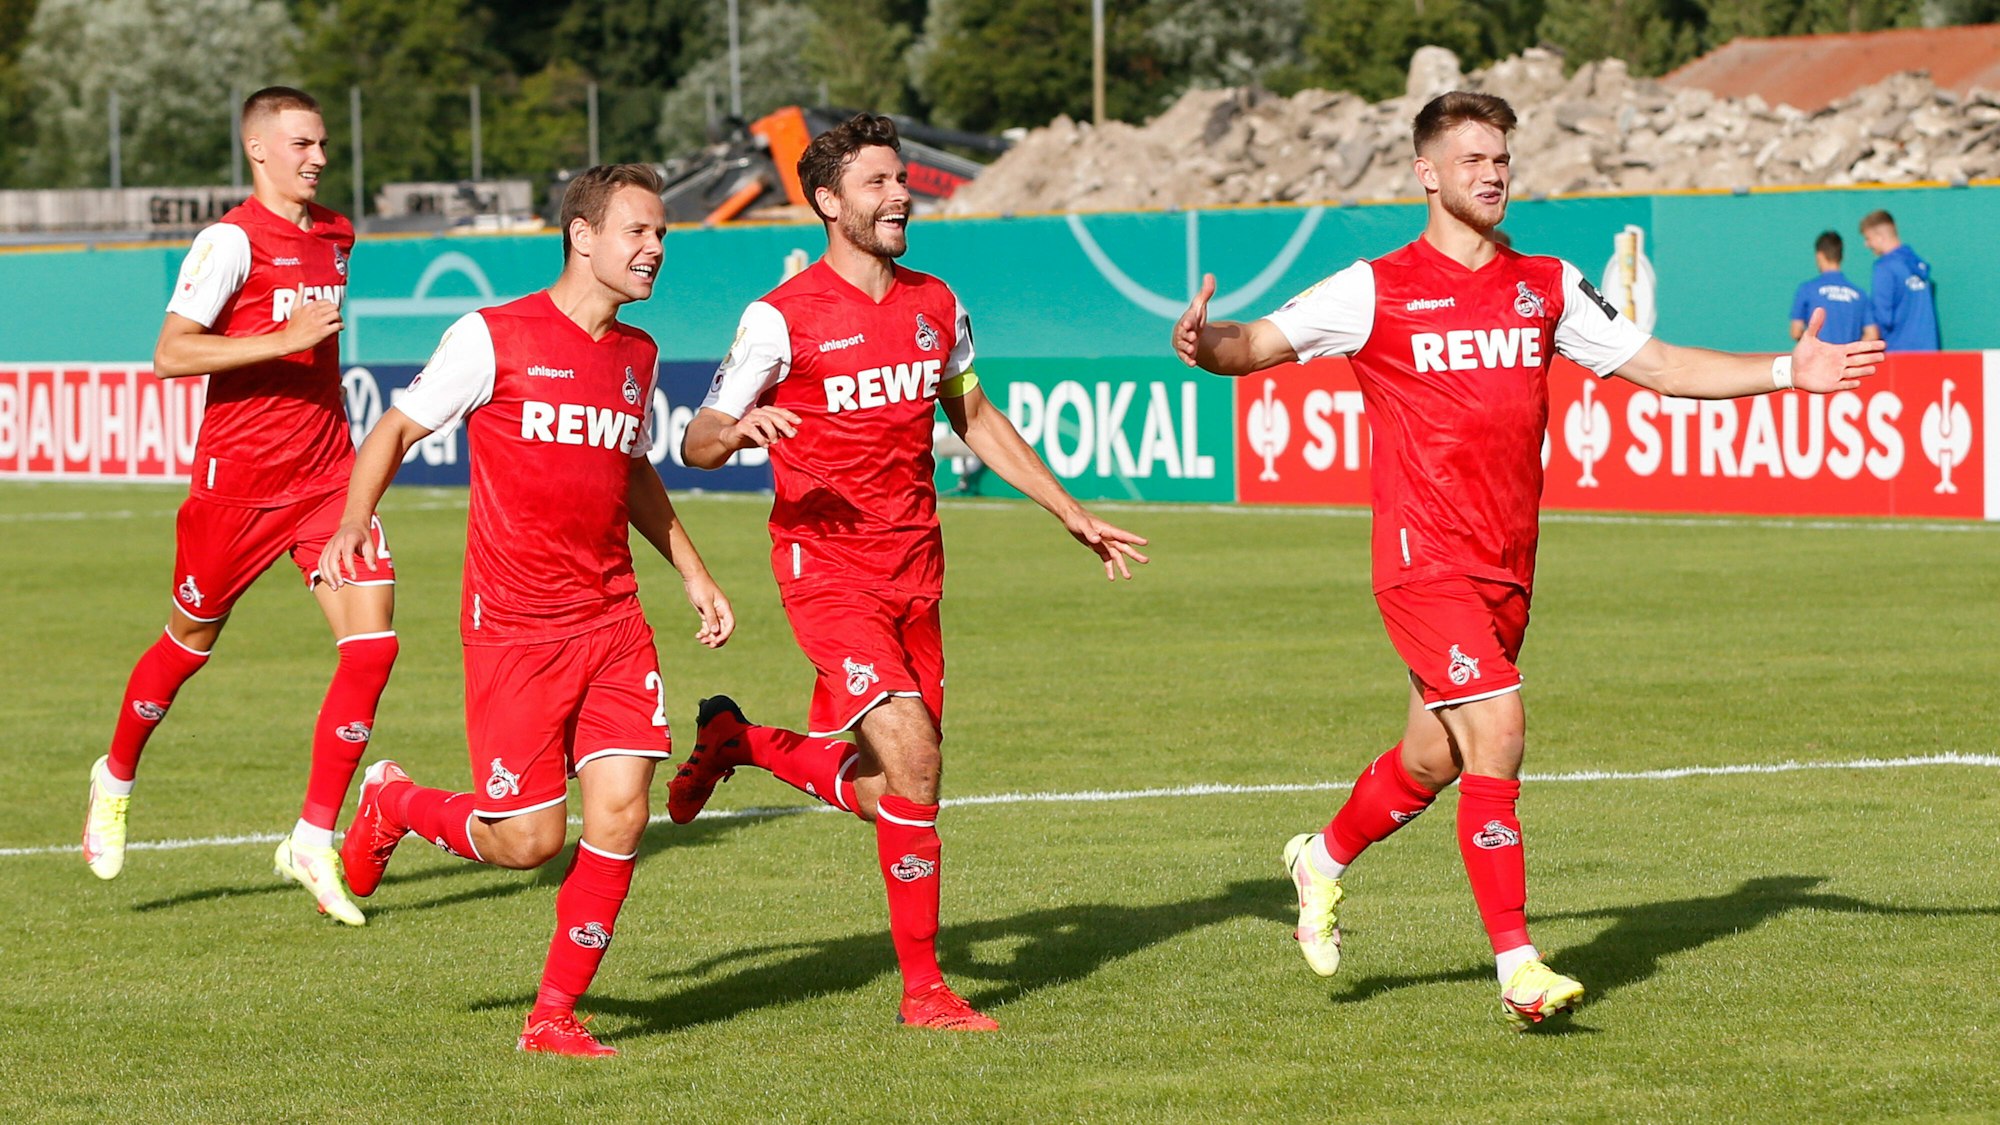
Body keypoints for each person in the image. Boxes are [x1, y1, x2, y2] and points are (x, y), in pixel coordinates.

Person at [1172, 91, 1883, 1029]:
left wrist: (1789, 370)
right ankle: (1518, 965)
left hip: (1506, 565)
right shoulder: (1375, 287)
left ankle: (1321, 857)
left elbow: (1663, 366)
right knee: (1500, 728)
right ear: (1427, 173)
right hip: (1420, 559)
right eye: (1472, 158)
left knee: (1433, 757)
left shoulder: (1545, 284)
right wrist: (1204, 343)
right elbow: (1257, 343)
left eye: (1501, 157)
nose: (1492, 172)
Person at [675, 113, 1149, 1033]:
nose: (899, 196)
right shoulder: (781, 316)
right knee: (918, 759)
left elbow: (975, 416)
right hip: (826, 570)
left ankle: (740, 741)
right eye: (878, 183)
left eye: (901, 180)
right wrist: (737, 429)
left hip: (916, 569)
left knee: (894, 787)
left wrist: (1069, 510)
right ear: (827, 202)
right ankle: (925, 991)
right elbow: (697, 438)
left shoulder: (937, 302)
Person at [319, 164, 734, 1057]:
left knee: (622, 814)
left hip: (614, 622)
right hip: (514, 630)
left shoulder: (638, 354)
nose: (655, 248)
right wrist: (355, 517)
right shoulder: (492, 336)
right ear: (582, 236)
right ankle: (395, 801)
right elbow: (395, 427)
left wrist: (692, 571)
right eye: (638, 231)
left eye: (662, 234)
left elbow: (629, 467)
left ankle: (553, 1016)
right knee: (529, 842)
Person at [82, 86, 395, 927]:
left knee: (372, 646)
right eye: (301, 144)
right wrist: (283, 339)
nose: (318, 158)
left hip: (327, 479)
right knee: (188, 646)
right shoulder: (229, 241)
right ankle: (115, 776)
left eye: (322, 143)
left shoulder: (337, 233)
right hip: (238, 490)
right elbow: (170, 353)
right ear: (259, 149)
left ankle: (312, 839)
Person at [1859, 210, 1940, 352]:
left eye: (1868, 238)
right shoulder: (1916, 263)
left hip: (1899, 354)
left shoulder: (1884, 268)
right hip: (1929, 353)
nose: (1866, 244)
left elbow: (1883, 319)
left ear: (1879, 237)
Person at [1789, 231, 1876, 346]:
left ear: (1819, 256)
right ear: (1841, 257)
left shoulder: (1807, 290)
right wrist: (1850, 352)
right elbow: (1872, 334)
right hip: (1847, 357)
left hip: (1818, 356)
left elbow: (1795, 332)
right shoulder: (1860, 295)